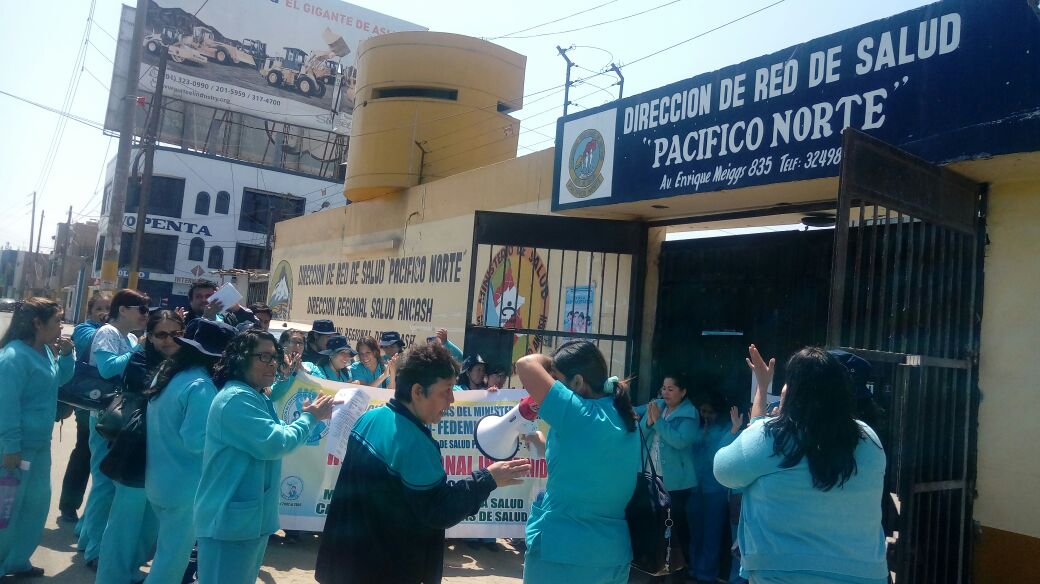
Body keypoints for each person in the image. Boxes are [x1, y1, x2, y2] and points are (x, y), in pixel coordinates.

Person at [314, 343, 530, 584]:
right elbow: (438, 510)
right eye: (446, 390)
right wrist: (488, 479)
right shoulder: (415, 444)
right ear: (418, 391)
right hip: (383, 569)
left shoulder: (370, 417)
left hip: (345, 563)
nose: (451, 400)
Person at [714, 345, 887, 584]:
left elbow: (724, 471)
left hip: (784, 574)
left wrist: (763, 389)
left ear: (795, 392)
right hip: (864, 574)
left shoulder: (772, 437)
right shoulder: (868, 437)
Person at [194, 330, 337, 584]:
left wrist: (307, 418)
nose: (272, 363)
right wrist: (311, 418)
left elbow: (279, 430)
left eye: (274, 356)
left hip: (246, 522)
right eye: (264, 356)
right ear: (240, 359)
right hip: (229, 524)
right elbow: (276, 442)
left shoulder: (255, 395)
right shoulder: (236, 399)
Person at [514, 340, 641, 583]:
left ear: (578, 382)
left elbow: (526, 364)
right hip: (611, 555)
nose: (551, 385)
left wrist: (553, 361)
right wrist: (543, 444)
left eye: (556, 379)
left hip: (562, 553)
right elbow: (590, 461)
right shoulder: (625, 417)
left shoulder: (578, 413)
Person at [145, 319, 237, 584]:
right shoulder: (201, 386)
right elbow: (196, 441)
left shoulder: (168, 373)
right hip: (184, 489)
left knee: (165, 556)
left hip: (159, 479)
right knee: (170, 564)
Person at [96, 309, 184, 584]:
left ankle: (131, 571)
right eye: (161, 334)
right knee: (125, 521)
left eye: (176, 334)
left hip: (162, 454)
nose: (169, 340)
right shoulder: (141, 358)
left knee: (149, 523)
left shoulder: (181, 363)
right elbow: (147, 390)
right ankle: (110, 577)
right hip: (136, 448)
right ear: (150, 336)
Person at [0, 298, 75, 578]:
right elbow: (6, 406)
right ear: (37, 323)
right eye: (57, 320)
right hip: (16, 449)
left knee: (35, 506)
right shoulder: (13, 357)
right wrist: (11, 446)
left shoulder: (46, 351)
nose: (62, 326)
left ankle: (18, 561)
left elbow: (60, 381)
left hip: (39, 447)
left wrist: (67, 356)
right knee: (6, 511)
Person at [78, 288, 149, 569]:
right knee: (104, 484)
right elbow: (108, 370)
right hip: (104, 416)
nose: (145, 315)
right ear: (123, 310)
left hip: (120, 416)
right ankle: (94, 550)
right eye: (140, 309)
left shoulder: (129, 337)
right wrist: (137, 349)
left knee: (107, 484)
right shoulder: (108, 333)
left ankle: (87, 539)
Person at [636, 373, 700, 580]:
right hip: (651, 476)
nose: (666, 393)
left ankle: (680, 573)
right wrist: (649, 421)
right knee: (654, 528)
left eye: (671, 389)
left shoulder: (690, 414)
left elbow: (680, 441)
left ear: (683, 392)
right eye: (664, 388)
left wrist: (657, 423)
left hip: (676, 484)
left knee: (676, 529)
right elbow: (641, 433)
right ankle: (656, 571)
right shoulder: (657, 406)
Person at [57, 292, 111, 524]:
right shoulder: (85, 329)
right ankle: (69, 504)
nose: (104, 312)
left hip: (109, 402)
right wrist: (111, 326)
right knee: (84, 452)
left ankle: (95, 513)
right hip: (86, 402)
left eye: (109, 308)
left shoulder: (117, 332)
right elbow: (91, 343)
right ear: (90, 311)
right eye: (99, 308)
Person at [688, 390, 742, 584]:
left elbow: (722, 456)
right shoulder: (696, 426)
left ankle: (706, 574)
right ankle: (693, 569)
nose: (705, 416)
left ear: (717, 412)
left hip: (716, 490)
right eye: (702, 411)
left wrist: (730, 431)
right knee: (696, 532)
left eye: (709, 412)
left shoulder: (728, 428)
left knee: (712, 533)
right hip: (696, 487)